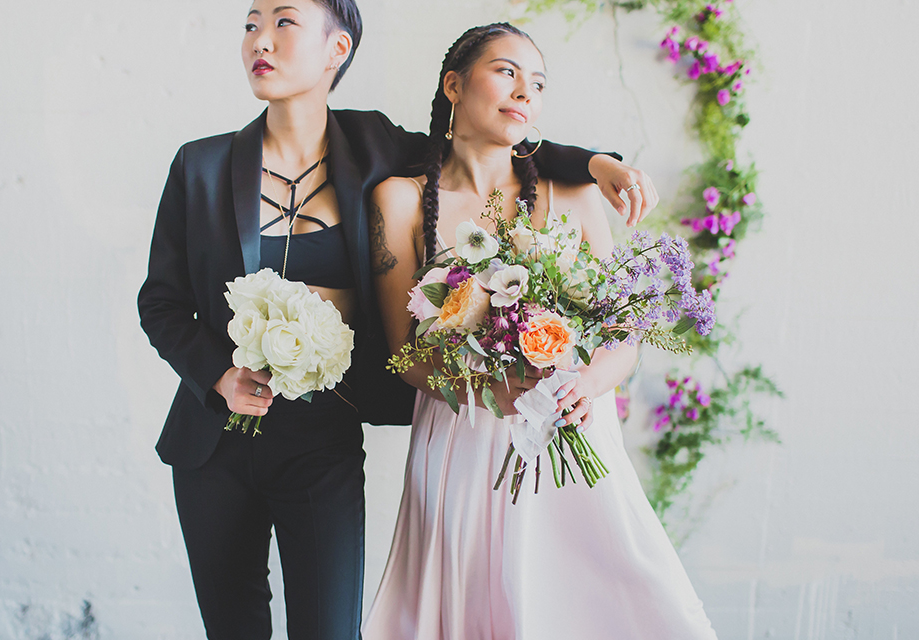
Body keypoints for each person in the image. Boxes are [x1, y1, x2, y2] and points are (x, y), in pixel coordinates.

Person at [137, 1, 658, 638]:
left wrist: (599, 163)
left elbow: (498, 138)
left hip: (323, 435)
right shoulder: (200, 165)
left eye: (283, 21)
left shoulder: (375, 147)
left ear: (338, 49)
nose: (259, 40)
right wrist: (219, 375)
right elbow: (159, 302)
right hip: (212, 438)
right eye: (250, 24)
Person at [365, 22, 717, 639]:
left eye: (539, 83)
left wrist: (586, 385)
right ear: (454, 84)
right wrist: (486, 390)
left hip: (572, 427)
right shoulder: (398, 200)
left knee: (600, 603)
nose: (525, 90)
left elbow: (623, 333)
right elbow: (404, 352)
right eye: (506, 71)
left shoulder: (575, 193)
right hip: (462, 438)